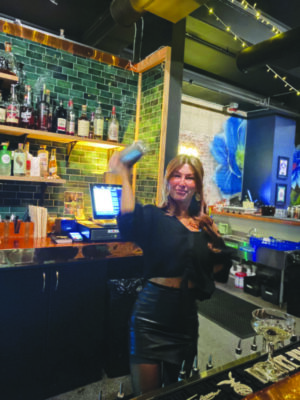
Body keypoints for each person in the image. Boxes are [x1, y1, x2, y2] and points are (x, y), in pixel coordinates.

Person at [109, 152, 232, 396]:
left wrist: (216, 246)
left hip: (185, 319)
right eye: (176, 176)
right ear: (168, 181)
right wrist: (125, 175)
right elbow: (127, 220)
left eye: (189, 178)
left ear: (197, 185)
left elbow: (219, 273)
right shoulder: (154, 217)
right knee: (149, 395)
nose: (182, 182)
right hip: (150, 319)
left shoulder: (204, 226)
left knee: (177, 392)